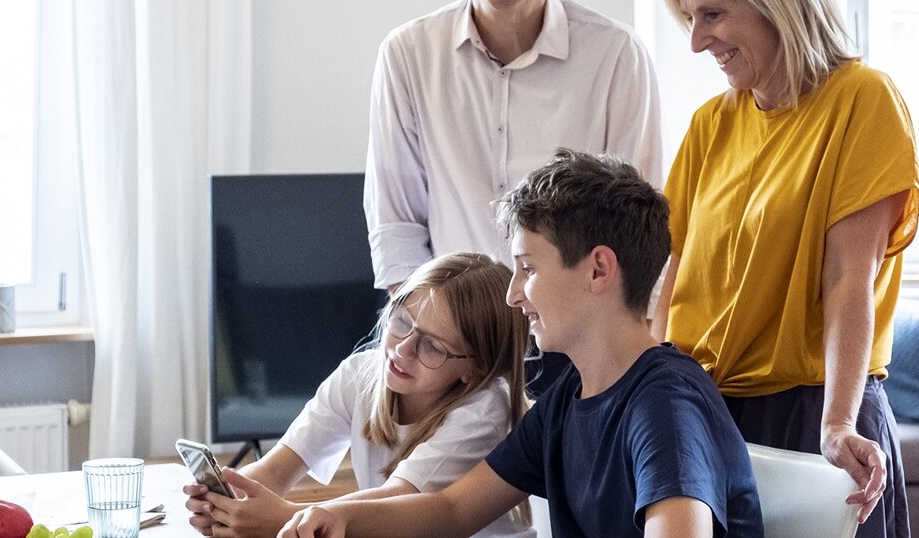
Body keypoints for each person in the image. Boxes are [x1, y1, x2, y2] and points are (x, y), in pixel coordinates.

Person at [279, 149, 762, 538]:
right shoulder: (568, 401)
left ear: (598, 269)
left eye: (528, 269)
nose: (513, 295)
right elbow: (451, 510)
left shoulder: (665, 405)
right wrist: (341, 517)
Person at [654, 0, 919, 538]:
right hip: (709, 414)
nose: (697, 41)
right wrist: (654, 392)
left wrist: (837, 425)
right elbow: (670, 278)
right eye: (691, 19)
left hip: (814, 416)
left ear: (777, 0)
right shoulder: (710, 125)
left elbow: (848, 280)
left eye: (713, 15)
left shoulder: (862, 100)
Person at [363, 0, 664, 292]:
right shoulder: (407, 55)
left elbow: (639, 238)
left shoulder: (617, 56)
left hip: (580, 338)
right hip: (455, 336)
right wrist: (438, 338)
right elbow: (398, 231)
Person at [183, 252, 535, 538]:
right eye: (402, 323)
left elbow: (400, 503)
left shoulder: (484, 412)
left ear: (474, 368)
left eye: (432, 347)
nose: (402, 350)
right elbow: (276, 469)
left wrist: (290, 518)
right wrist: (230, 501)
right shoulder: (362, 373)